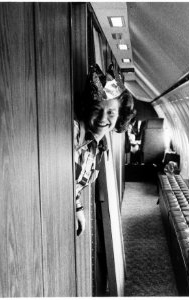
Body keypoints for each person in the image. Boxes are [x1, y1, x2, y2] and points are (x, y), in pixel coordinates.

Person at [74, 63, 136, 236]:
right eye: (97, 110)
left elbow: (73, 186)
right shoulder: (75, 132)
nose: (103, 118)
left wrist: (78, 207)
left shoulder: (99, 146)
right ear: (87, 109)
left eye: (111, 113)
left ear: (120, 115)